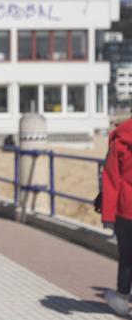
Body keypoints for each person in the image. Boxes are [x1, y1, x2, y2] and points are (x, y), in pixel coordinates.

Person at [101, 118, 132, 316]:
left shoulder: (121, 137)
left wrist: (108, 215)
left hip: (127, 208)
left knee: (127, 257)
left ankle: (121, 298)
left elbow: (112, 178)